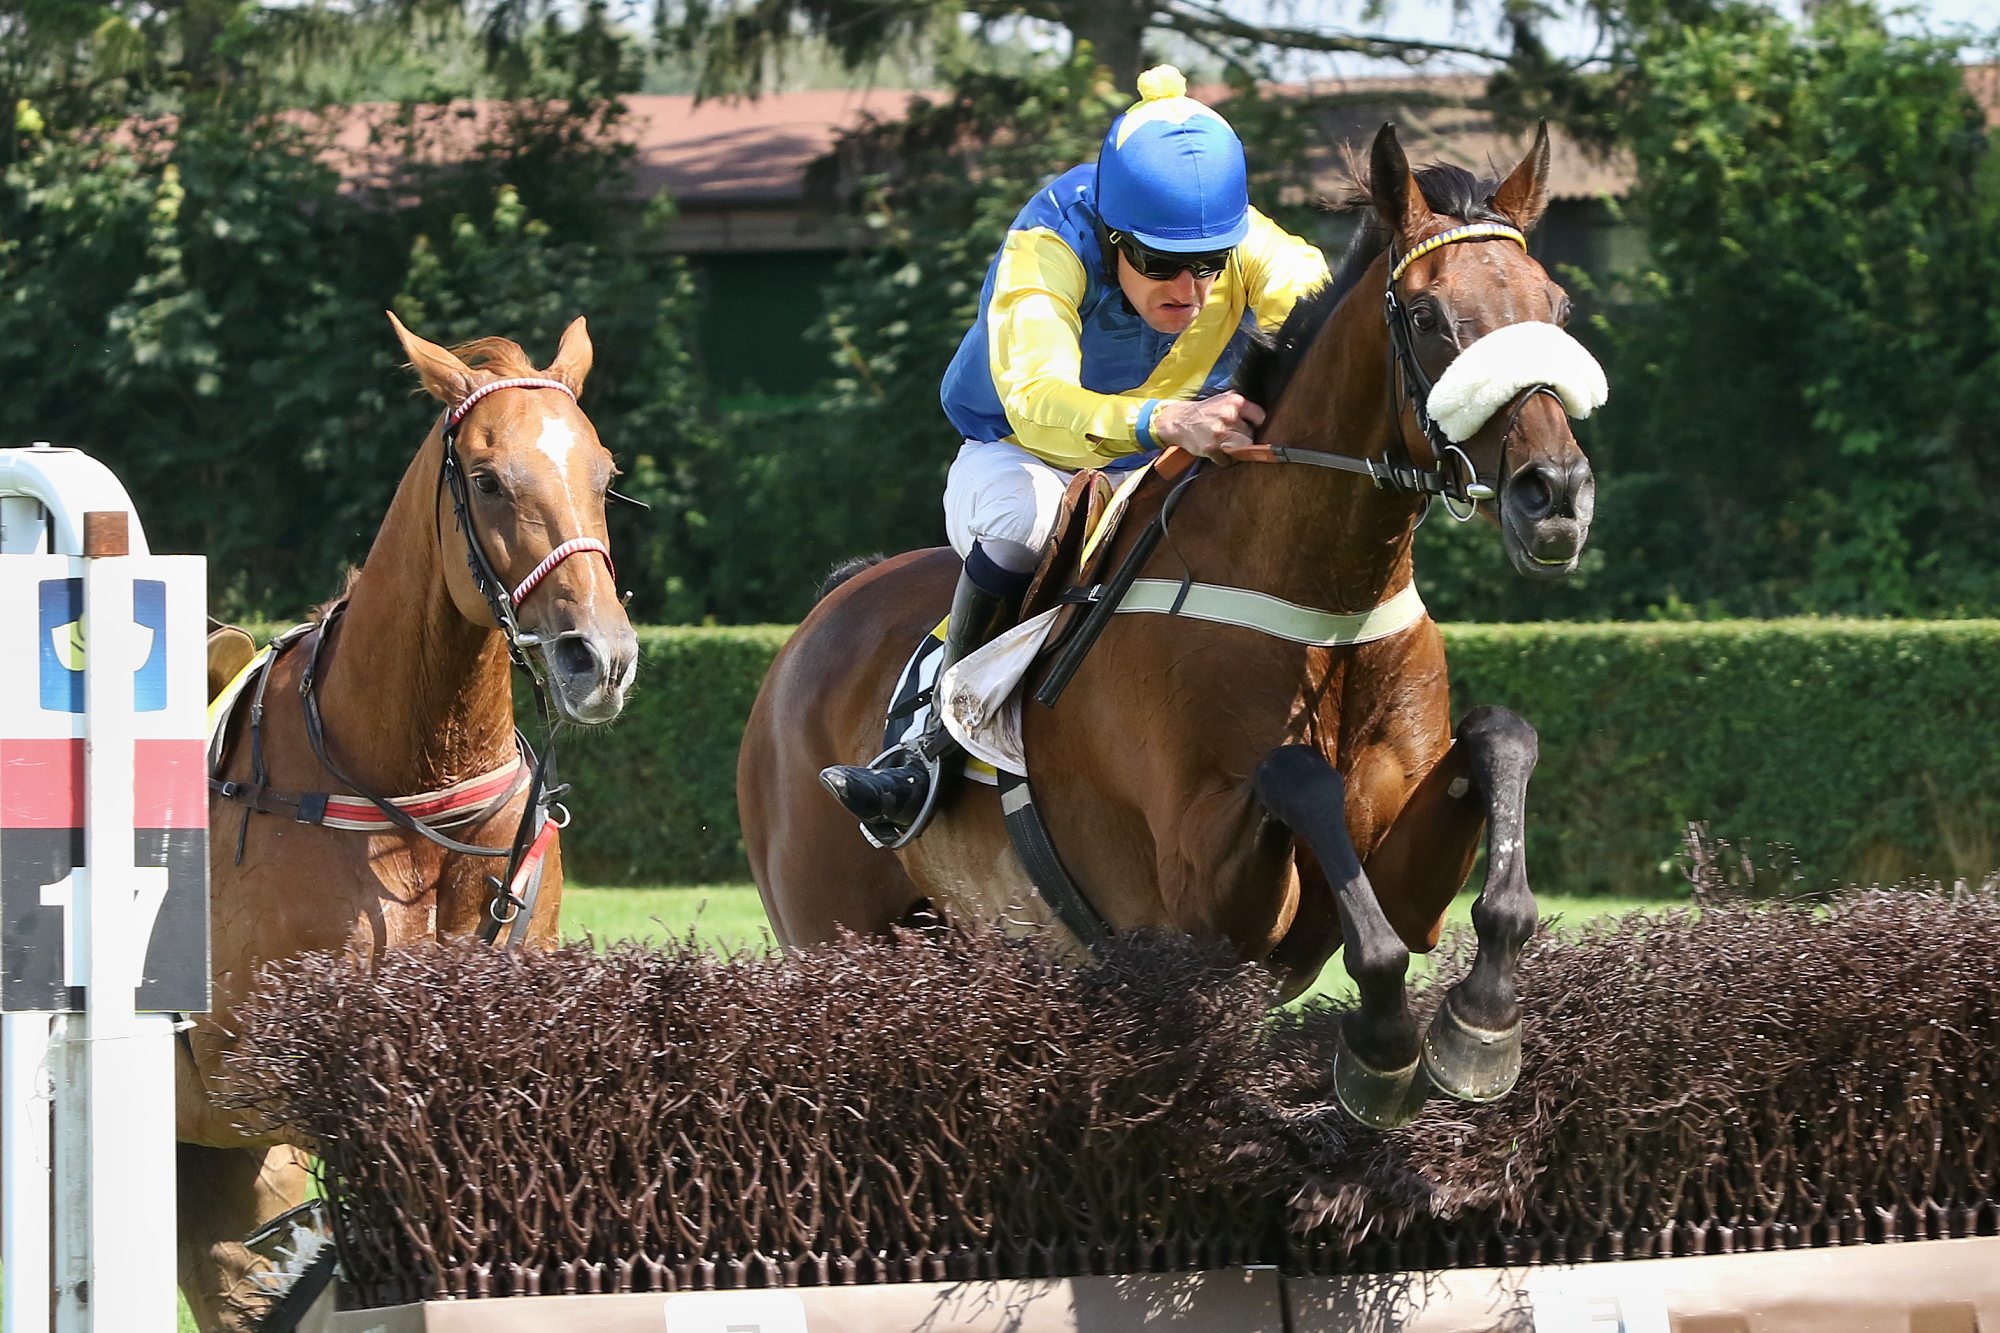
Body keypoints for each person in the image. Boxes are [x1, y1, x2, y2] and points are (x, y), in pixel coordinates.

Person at [821, 65, 1331, 835]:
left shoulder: (1239, 238)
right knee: (1027, 525)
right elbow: (1037, 401)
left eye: (1210, 264)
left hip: (1164, 461)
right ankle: (925, 746)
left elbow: (1325, 309)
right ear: (1112, 236)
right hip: (1023, 455)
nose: (1190, 290)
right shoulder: (1047, 246)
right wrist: (1167, 420)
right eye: (1160, 264)